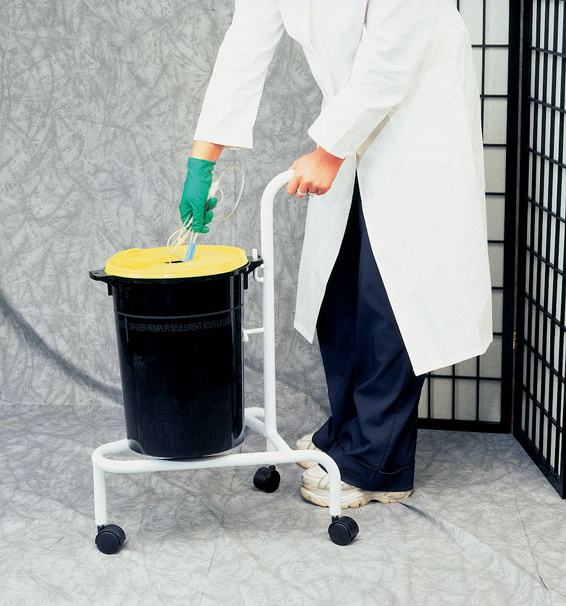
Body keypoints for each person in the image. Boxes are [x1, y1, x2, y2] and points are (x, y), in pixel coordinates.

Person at [179, 0, 493, 508]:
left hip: (416, 110)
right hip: (350, 116)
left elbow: (393, 51)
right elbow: (245, 44)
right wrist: (203, 158)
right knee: (338, 286)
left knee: (391, 296)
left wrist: (328, 152)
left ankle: (378, 462)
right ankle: (349, 432)